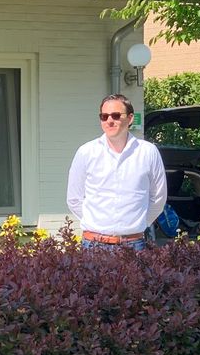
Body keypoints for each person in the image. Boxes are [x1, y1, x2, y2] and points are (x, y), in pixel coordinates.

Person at [66, 93, 167, 251]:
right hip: (93, 246)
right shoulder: (86, 152)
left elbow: (158, 198)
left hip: (133, 245)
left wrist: (139, 224)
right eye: (104, 116)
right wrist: (96, 224)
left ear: (130, 118)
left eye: (115, 115)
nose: (109, 120)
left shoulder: (148, 152)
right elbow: (74, 199)